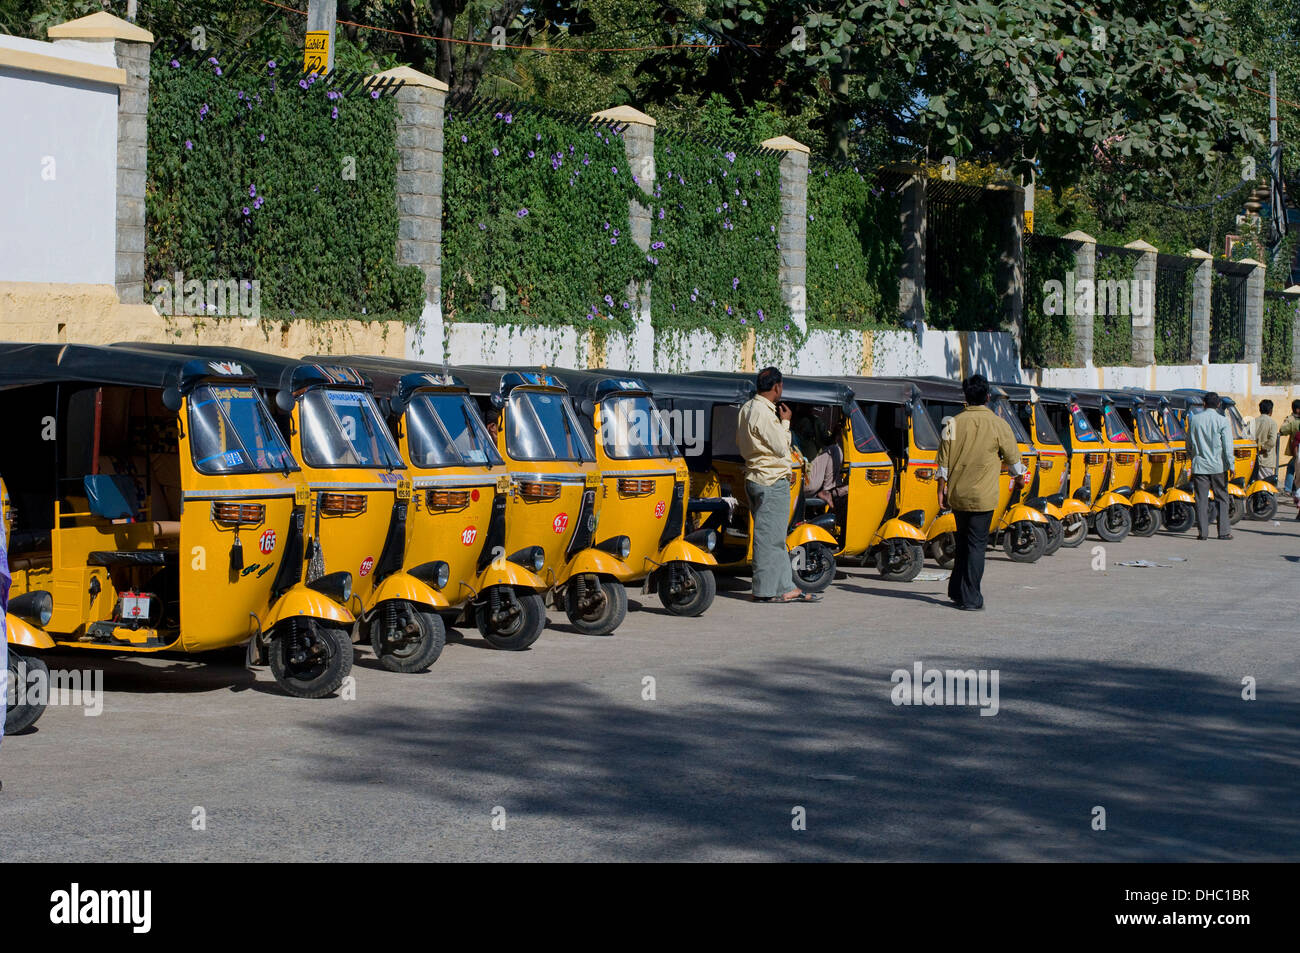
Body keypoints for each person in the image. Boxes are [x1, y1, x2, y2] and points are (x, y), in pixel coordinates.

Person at [936, 374, 1026, 611]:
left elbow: (943, 463)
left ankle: (956, 590)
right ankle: (971, 598)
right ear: (987, 397)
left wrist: (940, 490)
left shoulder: (950, 423)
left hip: (957, 494)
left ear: (965, 397)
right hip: (983, 497)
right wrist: (1019, 480)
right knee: (976, 545)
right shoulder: (999, 424)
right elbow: (1014, 460)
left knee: (963, 542)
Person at [737, 367, 819, 604]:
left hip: (756, 477)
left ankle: (785, 587)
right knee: (768, 538)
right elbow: (782, 448)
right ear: (777, 387)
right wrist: (785, 423)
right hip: (771, 480)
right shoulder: (764, 413)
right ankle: (763, 590)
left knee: (775, 536)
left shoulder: (746, 409)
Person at [1185, 392, 1235, 540]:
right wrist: (1231, 464)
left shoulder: (1194, 420)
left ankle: (1203, 533)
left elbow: (1188, 442)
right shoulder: (1222, 421)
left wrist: (1191, 456)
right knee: (1222, 498)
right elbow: (1227, 445)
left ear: (1204, 404)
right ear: (1218, 404)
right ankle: (1224, 532)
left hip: (1200, 466)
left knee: (1201, 499)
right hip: (1218, 466)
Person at [1279, 399, 1300, 513]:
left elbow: (1283, 429)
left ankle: (1288, 489)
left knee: (1292, 467)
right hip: (1297, 451)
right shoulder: (1295, 420)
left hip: (1297, 451)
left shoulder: (1292, 421)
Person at [1255, 399, 1279, 483]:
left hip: (1254, 458)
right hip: (1266, 459)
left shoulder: (1253, 422)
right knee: (1267, 485)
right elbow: (1272, 441)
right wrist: (1263, 448)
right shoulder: (1272, 423)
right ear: (1271, 410)